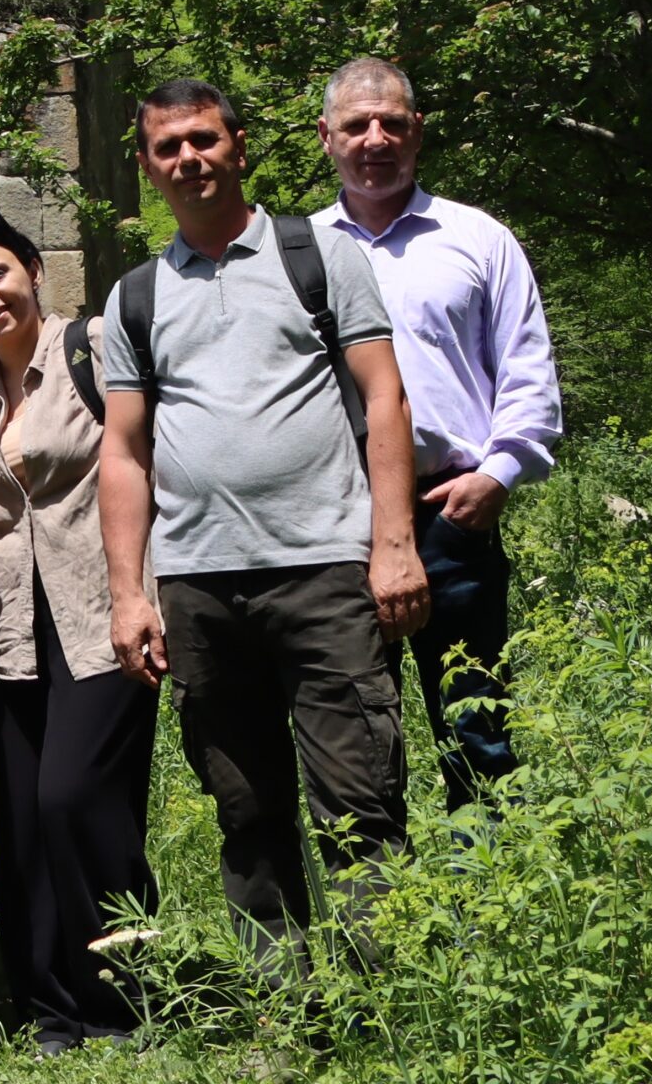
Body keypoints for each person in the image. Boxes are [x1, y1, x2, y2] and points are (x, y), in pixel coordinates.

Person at [97, 79, 429, 969]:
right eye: (167, 148)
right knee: (244, 809)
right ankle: (283, 998)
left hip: (325, 570)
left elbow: (385, 398)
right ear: (145, 167)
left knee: (359, 797)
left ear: (239, 146)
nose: (188, 159)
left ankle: (383, 996)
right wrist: (130, 594)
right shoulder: (134, 297)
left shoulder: (317, 257)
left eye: (203, 140)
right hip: (199, 584)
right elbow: (123, 453)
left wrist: (393, 544)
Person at [315, 57, 562, 806]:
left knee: (476, 724)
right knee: (352, 733)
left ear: (418, 131)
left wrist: (500, 475)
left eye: (392, 122)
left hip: (451, 512)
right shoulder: (297, 252)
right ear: (326, 138)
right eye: (357, 125)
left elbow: (528, 370)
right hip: (337, 518)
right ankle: (385, 901)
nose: (375, 138)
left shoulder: (477, 239)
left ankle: (489, 894)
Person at [0, 212, 153, 1056]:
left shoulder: (94, 351)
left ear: (33, 269)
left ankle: (123, 998)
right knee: (24, 820)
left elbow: (148, 462)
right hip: (10, 631)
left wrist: (150, 594)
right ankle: (49, 1007)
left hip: (104, 612)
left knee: (79, 800)